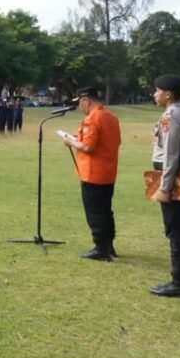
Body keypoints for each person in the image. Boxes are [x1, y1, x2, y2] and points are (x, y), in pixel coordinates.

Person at [148, 74, 180, 298]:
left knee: (175, 228)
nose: (154, 94)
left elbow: (170, 154)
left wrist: (165, 187)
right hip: (178, 170)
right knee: (178, 227)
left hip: (174, 173)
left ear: (168, 94)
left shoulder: (170, 116)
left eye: (157, 90)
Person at [62, 86, 121, 262]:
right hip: (108, 171)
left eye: (80, 102)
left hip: (92, 172)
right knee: (105, 211)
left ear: (86, 100)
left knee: (94, 212)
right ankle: (108, 245)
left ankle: (100, 248)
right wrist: (77, 139)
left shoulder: (92, 118)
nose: (80, 107)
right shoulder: (111, 117)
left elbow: (88, 147)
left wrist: (71, 143)